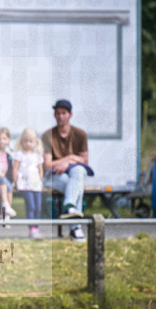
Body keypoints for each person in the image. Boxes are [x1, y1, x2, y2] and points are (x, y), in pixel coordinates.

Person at [41, 99, 90, 241]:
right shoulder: (47, 135)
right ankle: (76, 229)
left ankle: (69, 206)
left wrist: (67, 163)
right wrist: (69, 159)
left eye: (63, 113)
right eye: (57, 113)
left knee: (79, 171)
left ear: (70, 115)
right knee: (76, 186)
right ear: (54, 115)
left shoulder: (80, 134)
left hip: (72, 173)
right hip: (53, 176)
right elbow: (48, 165)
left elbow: (85, 161)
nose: (60, 116)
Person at [13, 128, 45, 239]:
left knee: (38, 207)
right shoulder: (19, 154)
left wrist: (40, 180)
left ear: (35, 142)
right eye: (25, 141)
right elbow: (15, 168)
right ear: (22, 142)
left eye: (30, 141)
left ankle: (36, 227)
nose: (28, 144)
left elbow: (40, 170)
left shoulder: (38, 155)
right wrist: (16, 182)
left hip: (36, 185)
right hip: (25, 184)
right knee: (31, 206)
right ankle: (32, 229)